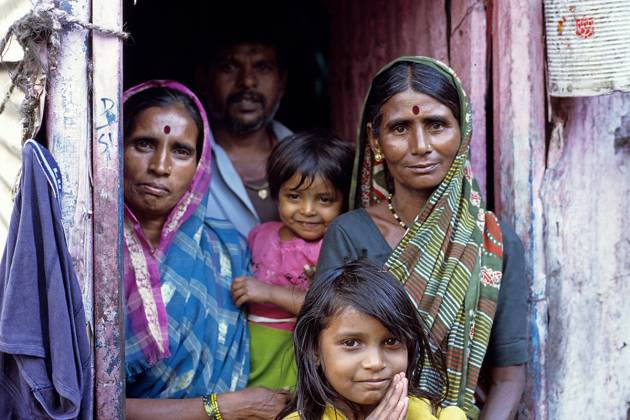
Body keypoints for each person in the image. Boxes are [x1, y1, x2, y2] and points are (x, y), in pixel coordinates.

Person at [316, 57, 528, 419]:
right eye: (400, 128)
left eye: (436, 125)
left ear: (463, 131)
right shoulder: (350, 234)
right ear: (375, 139)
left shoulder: (493, 242)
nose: (421, 145)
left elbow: (508, 378)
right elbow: (321, 354)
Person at [122, 80, 288, 419]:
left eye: (181, 151)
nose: (160, 166)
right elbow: (81, 399)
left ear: (200, 165)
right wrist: (220, 408)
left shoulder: (227, 251)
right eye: (143, 144)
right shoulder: (84, 255)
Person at [230, 130, 354, 390]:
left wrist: (268, 292)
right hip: (251, 347)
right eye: (294, 197)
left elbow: (329, 309)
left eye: (324, 199)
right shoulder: (260, 235)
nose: (308, 210)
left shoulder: (333, 247)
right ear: (276, 195)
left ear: (344, 201)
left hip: (296, 349)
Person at [278, 259, 466, 420]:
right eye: (351, 343)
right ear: (314, 351)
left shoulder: (431, 414)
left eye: (391, 341)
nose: (375, 363)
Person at [196, 36, 292, 237]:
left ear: (282, 81)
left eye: (263, 67)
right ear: (203, 79)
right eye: (229, 67)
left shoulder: (309, 158)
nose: (247, 81)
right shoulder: (184, 161)